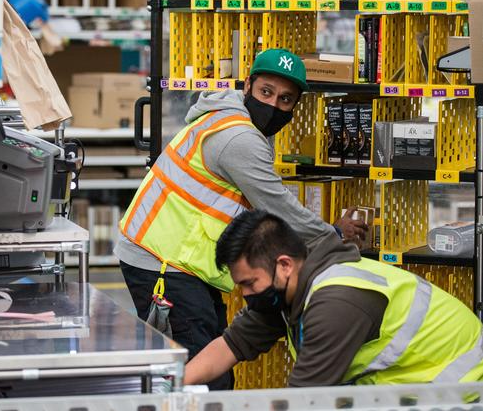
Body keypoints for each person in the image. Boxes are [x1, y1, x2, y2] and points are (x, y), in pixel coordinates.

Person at [114, 48, 367, 390]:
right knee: (205, 375)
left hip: (182, 262)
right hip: (162, 262)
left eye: (286, 99)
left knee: (210, 365)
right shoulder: (238, 138)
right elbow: (278, 206)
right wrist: (333, 236)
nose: (274, 105)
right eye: (266, 92)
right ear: (247, 85)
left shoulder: (230, 119)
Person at [185, 209, 483, 387]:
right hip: (405, 387)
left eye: (249, 283)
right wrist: (169, 386)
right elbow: (230, 346)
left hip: (455, 388)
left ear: (284, 265)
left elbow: (306, 398)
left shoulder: (336, 303)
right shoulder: (289, 288)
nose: (245, 294)